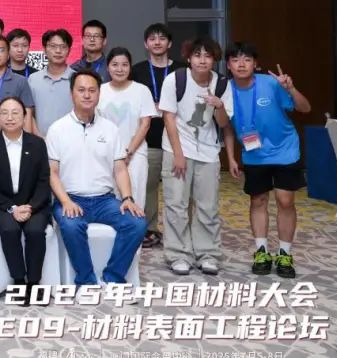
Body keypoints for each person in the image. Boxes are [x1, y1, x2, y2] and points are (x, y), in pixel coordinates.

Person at [48, 70, 146, 286]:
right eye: (81, 90)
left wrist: (127, 198)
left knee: (137, 223)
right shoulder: (57, 129)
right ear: (72, 94)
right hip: (70, 198)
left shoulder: (110, 129)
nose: (87, 95)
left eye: (92, 90)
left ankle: (113, 277)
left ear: (99, 94)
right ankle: (86, 282)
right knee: (71, 226)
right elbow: (52, 172)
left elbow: (120, 169)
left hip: (105, 200)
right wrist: (65, 201)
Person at [224, 42, 311, 278]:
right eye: (235, 60)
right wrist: (231, 157)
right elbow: (228, 127)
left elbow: (305, 108)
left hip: (285, 150)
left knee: (285, 200)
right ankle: (261, 251)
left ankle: (285, 253)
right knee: (258, 200)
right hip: (253, 154)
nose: (241, 64)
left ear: (256, 64)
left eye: (247, 59)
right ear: (228, 65)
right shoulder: (226, 89)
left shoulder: (272, 83)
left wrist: (291, 88)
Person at [157, 37, 233, 276]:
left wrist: (219, 105)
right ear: (189, 58)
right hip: (176, 149)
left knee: (208, 206)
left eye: (207, 56)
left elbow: (224, 123)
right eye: (197, 55)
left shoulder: (222, 84)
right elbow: (168, 118)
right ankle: (178, 254)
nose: (202, 60)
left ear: (214, 59)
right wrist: (178, 154)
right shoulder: (176, 79)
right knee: (176, 204)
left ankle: (208, 254)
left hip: (209, 152)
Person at [0, 96, 51, 304]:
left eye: (15, 113)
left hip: (33, 204)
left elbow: (43, 181)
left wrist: (30, 207)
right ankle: (19, 280)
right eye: (4, 113)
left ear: (24, 116)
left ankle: (34, 282)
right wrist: (12, 208)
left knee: (35, 230)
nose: (10, 118)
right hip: (1, 204)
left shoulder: (37, 144)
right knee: (10, 229)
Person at [130, 22, 181, 248]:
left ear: (169, 43)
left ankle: (176, 232)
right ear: (146, 44)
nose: (157, 42)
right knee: (147, 188)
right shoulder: (137, 71)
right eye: (152, 39)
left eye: (162, 38)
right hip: (148, 139)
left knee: (176, 190)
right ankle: (150, 229)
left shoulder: (182, 71)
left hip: (177, 141)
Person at [97, 48, 158, 210]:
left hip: (135, 154)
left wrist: (128, 152)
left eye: (124, 65)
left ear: (130, 67)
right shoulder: (100, 91)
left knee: (135, 198)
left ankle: (134, 227)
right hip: (106, 154)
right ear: (108, 67)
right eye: (115, 64)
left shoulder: (141, 90)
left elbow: (145, 124)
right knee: (109, 199)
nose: (120, 69)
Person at [27, 29, 76, 136]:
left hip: (71, 140)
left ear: (69, 50)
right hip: (40, 140)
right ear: (44, 50)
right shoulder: (33, 79)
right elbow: (29, 113)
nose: (58, 51)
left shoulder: (77, 79)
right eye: (53, 46)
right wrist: (39, 138)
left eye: (63, 47)